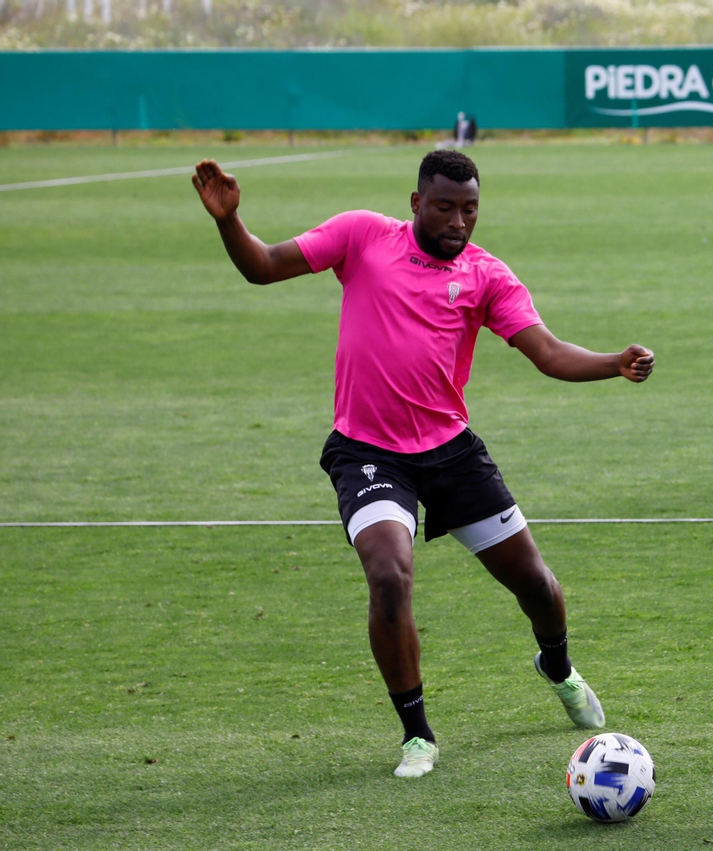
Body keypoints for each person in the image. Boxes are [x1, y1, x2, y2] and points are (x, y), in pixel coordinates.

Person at [191, 150, 655, 778]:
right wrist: (229, 222)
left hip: (450, 452)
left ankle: (557, 665)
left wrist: (612, 361)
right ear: (416, 203)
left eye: (470, 209)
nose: (459, 220)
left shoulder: (488, 275)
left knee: (536, 585)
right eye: (445, 207)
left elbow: (545, 352)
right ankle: (417, 735)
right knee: (389, 576)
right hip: (367, 451)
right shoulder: (362, 236)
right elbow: (264, 266)